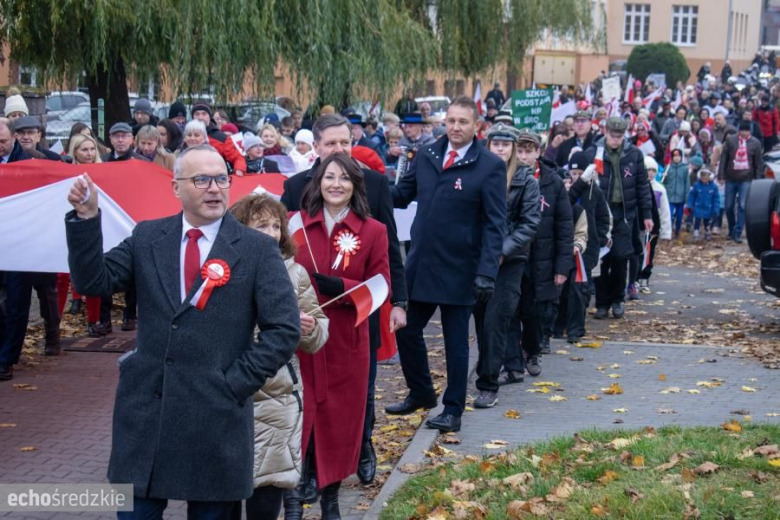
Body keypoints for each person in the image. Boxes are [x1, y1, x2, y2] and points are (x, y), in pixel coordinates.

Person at [64, 144, 300, 518]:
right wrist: (86, 219)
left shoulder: (256, 249)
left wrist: (234, 384)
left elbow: (283, 330)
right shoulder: (148, 237)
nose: (214, 188)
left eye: (221, 178)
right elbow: (94, 281)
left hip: (215, 417)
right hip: (147, 415)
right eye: (201, 179)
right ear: (176, 188)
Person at [280, 113, 407, 490]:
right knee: (309, 391)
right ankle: (310, 463)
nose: (338, 151)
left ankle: (362, 446)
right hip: (307, 317)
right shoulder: (294, 186)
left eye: (344, 143)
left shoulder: (375, 183)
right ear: (316, 147)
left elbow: (388, 254)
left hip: (356, 316)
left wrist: (397, 301)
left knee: (358, 390)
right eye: (331, 144)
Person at [387, 96, 506, 433]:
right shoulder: (427, 155)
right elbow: (401, 195)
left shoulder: (489, 166)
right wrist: (363, 184)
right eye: (451, 120)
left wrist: (486, 271)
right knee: (405, 327)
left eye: (462, 122)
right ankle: (422, 391)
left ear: (476, 126)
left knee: (456, 343)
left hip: (462, 268)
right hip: (422, 263)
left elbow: (495, 223)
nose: (455, 127)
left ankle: (452, 409)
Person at [229, 194, 329, 520]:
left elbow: (317, 337)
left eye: (277, 225)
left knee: (267, 492)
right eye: (261, 225)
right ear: (240, 227)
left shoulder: (296, 273)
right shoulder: (219, 267)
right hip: (230, 389)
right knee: (225, 488)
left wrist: (309, 327)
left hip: (278, 396)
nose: (271, 232)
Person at [473, 124, 540, 407]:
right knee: (479, 320)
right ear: (488, 146)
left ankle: (489, 383)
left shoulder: (526, 180)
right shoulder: (477, 174)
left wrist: (501, 251)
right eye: (495, 143)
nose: (500, 148)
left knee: (496, 321)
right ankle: (485, 367)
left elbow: (529, 223)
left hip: (509, 261)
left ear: (513, 148)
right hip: (477, 259)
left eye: (505, 144)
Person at [501, 130, 572, 378]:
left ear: (537, 153)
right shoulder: (504, 177)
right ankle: (512, 363)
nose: (523, 156)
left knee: (531, 313)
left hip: (539, 260)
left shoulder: (552, 182)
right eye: (519, 150)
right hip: (512, 256)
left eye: (528, 151)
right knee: (508, 310)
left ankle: (532, 350)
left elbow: (564, 226)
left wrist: (562, 266)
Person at [587, 117, 653, 320]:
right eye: (612, 136)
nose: (616, 140)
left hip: (624, 214)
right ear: (606, 132)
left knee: (619, 257)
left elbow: (642, 185)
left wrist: (647, 214)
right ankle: (601, 303)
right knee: (601, 258)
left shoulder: (633, 154)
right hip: (601, 214)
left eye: (619, 136)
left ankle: (617, 299)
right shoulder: (595, 153)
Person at [57, 133, 111, 338]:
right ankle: (55, 324)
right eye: (84, 149)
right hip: (70, 226)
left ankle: (93, 321)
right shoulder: (65, 172)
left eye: (91, 149)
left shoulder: (104, 171)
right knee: (62, 275)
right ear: (75, 152)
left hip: (95, 226)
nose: (89, 153)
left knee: (93, 272)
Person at [718, 121, 764, 243]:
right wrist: (721, 174)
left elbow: (758, 163)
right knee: (728, 206)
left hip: (746, 178)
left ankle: (738, 231)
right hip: (731, 177)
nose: (744, 133)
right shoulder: (731, 140)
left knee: (743, 206)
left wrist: (758, 180)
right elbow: (724, 158)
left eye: (746, 131)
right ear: (739, 131)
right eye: (742, 130)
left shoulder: (755, 143)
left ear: (750, 131)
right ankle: (731, 229)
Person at [637, 156, 671, 293]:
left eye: (653, 170)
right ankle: (635, 278)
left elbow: (665, 211)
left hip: (653, 228)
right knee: (638, 252)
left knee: (649, 254)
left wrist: (666, 232)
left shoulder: (660, 189)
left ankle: (645, 278)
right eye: (648, 170)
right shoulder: (638, 188)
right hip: (640, 225)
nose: (650, 173)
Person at [191, 103, 247, 176]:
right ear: (192, 117)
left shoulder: (222, 138)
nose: (200, 117)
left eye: (204, 114)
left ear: (209, 117)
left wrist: (239, 170)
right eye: (197, 114)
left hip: (215, 179)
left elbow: (238, 158)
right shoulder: (186, 137)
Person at [662, 149, 690, 239]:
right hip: (670, 196)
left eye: (678, 156)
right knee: (669, 215)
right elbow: (663, 182)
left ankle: (677, 230)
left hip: (680, 197)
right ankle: (668, 231)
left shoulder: (685, 169)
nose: (676, 158)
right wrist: (664, 177)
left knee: (679, 216)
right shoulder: (668, 167)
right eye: (675, 156)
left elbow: (687, 183)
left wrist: (686, 196)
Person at [687, 168, 720, 242]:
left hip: (708, 207)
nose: (704, 180)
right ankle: (696, 233)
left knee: (707, 220)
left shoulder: (713, 187)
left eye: (706, 178)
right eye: (703, 178)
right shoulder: (697, 185)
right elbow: (692, 195)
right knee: (697, 220)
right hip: (698, 206)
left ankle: (707, 231)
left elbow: (716, 199)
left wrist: (716, 209)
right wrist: (689, 205)